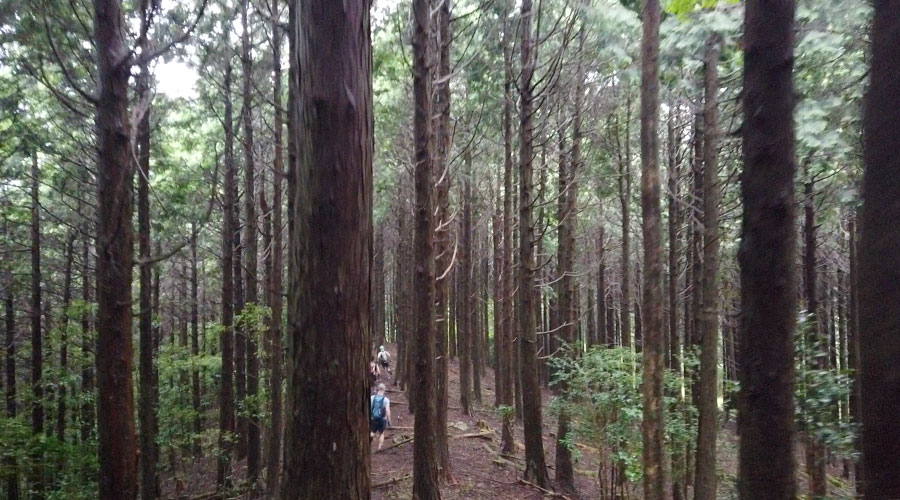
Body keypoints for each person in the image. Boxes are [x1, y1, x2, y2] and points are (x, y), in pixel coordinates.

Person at [369, 383, 391, 451]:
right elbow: (387, 410)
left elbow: (369, 408)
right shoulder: (386, 400)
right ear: (384, 390)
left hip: (373, 418)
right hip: (382, 419)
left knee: (372, 432)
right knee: (382, 433)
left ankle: (370, 439)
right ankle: (379, 447)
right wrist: (389, 419)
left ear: (377, 389)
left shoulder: (372, 398)